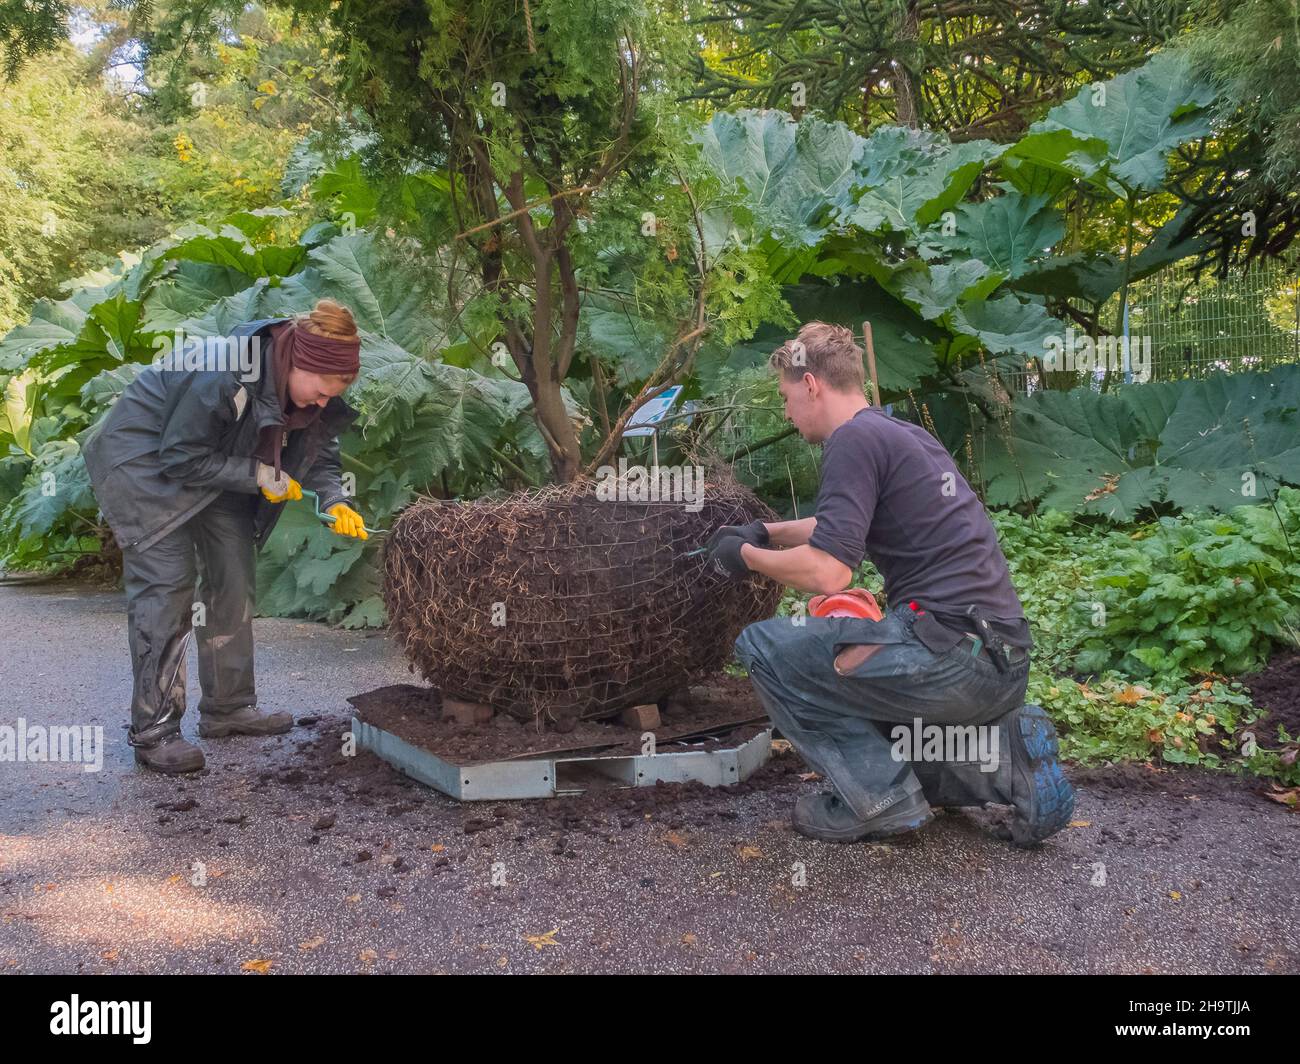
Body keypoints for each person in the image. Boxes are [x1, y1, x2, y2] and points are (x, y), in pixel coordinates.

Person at [708, 321, 1074, 846]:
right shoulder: (898, 434)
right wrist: (766, 531)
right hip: (1001, 663)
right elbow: (838, 525)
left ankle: (877, 802)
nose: (786, 413)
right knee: (882, 745)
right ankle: (1009, 764)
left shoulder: (851, 440)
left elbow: (832, 571)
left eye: (786, 397)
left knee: (765, 647)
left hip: (944, 657)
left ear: (811, 384)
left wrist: (744, 557)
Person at [83, 299, 370, 775]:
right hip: (146, 460)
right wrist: (259, 472)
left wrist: (335, 500)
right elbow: (179, 458)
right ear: (297, 362)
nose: (322, 403)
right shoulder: (223, 371)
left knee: (233, 575)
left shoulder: (306, 386)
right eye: (319, 391)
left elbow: (321, 452)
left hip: (214, 464)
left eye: (329, 397)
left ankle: (228, 709)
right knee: (168, 587)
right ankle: (154, 732)